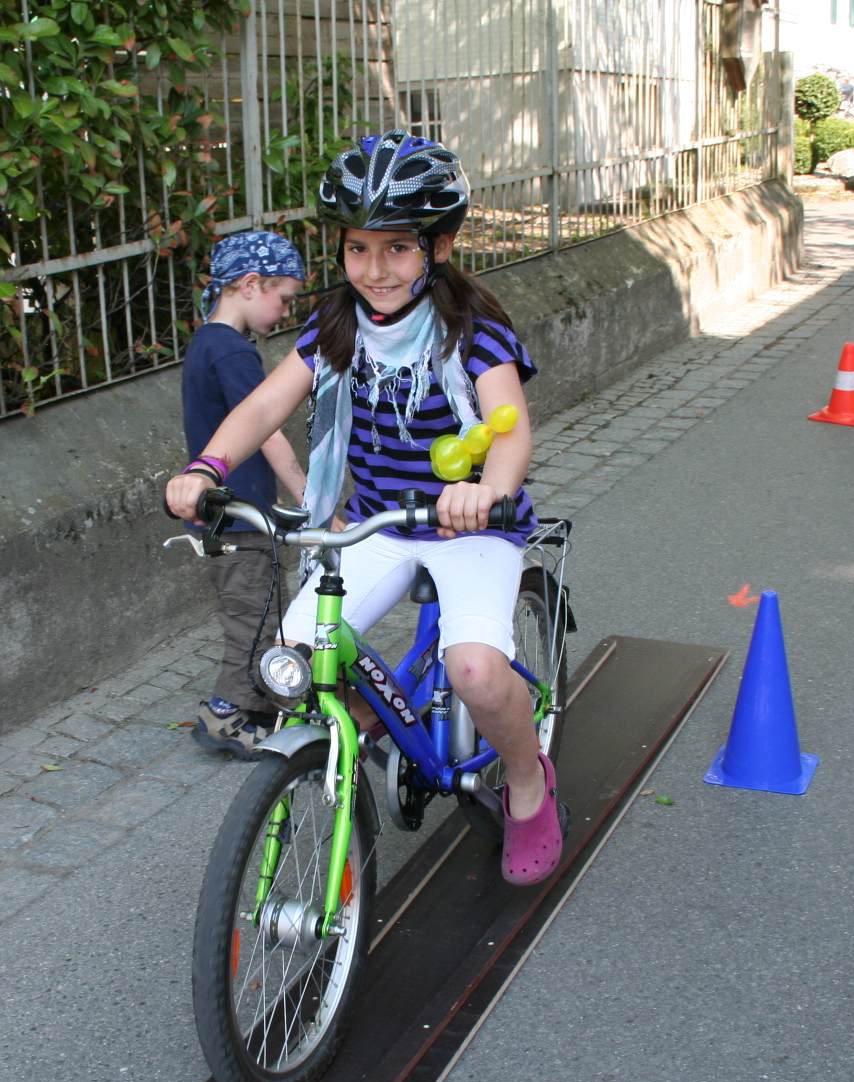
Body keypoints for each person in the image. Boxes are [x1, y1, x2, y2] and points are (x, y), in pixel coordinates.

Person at [164, 131, 563, 886]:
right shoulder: (336, 326)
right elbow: (264, 406)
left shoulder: (473, 329)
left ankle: (526, 783)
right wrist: (206, 466)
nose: (375, 270)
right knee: (292, 658)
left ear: (438, 247)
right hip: (380, 519)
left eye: (397, 249)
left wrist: (489, 490)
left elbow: (510, 429)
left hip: (470, 526)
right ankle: (375, 715)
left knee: (476, 672)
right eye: (358, 250)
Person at [181, 231, 309, 757]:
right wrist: (306, 493)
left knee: (257, 609)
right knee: (253, 617)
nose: (286, 312)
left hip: (231, 515)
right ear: (251, 284)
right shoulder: (231, 351)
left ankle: (259, 704)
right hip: (239, 518)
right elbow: (266, 429)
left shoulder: (207, 343)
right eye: (284, 298)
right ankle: (226, 715)